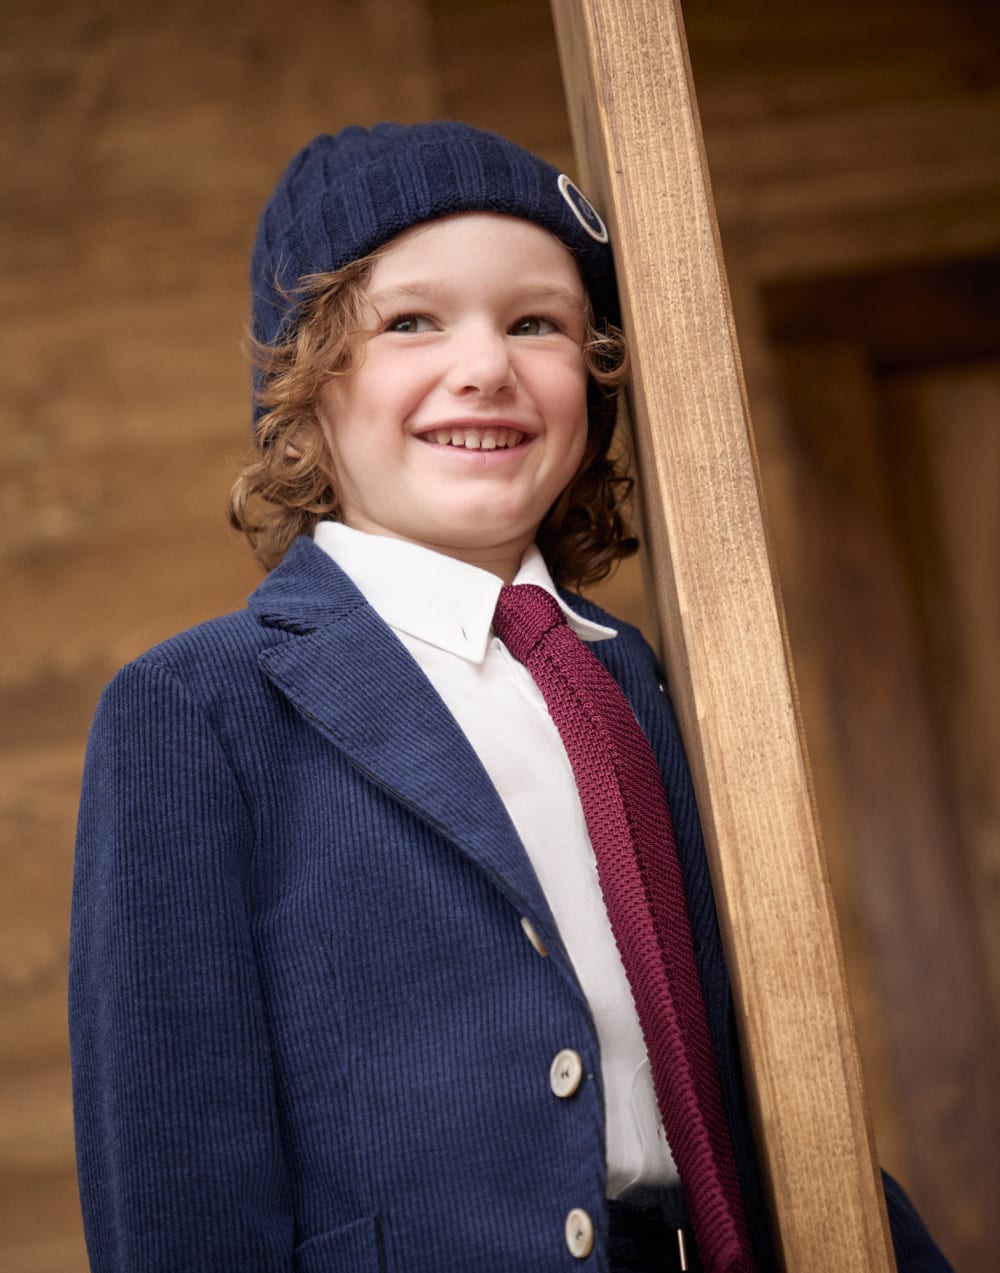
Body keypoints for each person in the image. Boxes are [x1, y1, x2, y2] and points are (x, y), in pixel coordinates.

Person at [69, 122, 951, 1272]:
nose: (484, 365)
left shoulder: (645, 682)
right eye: (412, 322)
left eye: (536, 322)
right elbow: (177, 1182)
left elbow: (756, 1083)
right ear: (303, 386)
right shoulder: (197, 710)